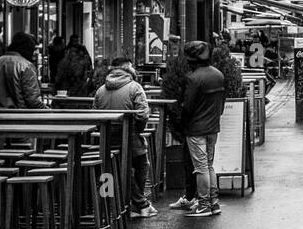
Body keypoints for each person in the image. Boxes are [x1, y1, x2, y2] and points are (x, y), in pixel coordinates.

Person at [165, 41, 226, 217]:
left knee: (200, 168)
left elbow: (188, 107)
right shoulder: (218, 75)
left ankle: (205, 204)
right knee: (208, 165)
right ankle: (214, 203)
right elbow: (221, 104)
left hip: (196, 128)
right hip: (213, 126)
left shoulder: (193, 78)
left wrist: (183, 123)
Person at [93, 56, 155, 217]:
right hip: (130, 138)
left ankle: (112, 206)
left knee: (111, 167)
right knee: (140, 164)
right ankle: (139, 203)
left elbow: (94, 115)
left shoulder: (100, 90)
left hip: (106, 141)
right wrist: (137, 131)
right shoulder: (135, 87)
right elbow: (143, 115)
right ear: (128, 70)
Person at [0, 32, 46, 109]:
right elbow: (33, 101)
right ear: (27, 48)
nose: (36, 53)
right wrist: (49, 111)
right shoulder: (26, 66)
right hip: (18, 116)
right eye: (33, 49)